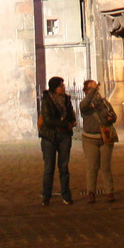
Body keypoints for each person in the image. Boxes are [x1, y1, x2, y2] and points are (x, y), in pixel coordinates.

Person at [38, 75, 77, 205]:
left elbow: (71, 113)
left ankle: (66, 195)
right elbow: (48, 119)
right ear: (55, 88)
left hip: (64, 136)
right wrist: (64, 124)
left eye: (63, 85)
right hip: (49, 136)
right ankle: (46, 196)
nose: (63, 87)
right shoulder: (47, 100)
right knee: (49, 168)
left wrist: (72, 121)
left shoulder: (66, 99)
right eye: (61, 85)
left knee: (64, 167)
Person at [79, 78, 117, 201]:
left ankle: (109, 192)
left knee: (105, 167)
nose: (93, 90)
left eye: (94, 88)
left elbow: (113, 115)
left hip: (105, 137)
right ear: (86, 91)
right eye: (90, 88)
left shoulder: (103, 102)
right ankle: (91, 192)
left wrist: (111, 118)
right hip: (90, 139)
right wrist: (93, 90)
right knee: (92, 167)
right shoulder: (85, 105)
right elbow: (84, 104)